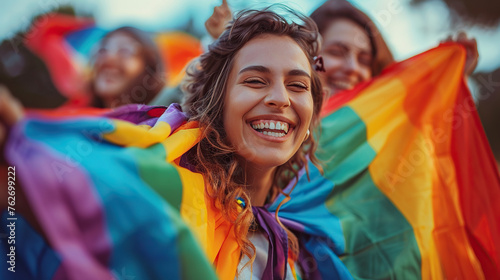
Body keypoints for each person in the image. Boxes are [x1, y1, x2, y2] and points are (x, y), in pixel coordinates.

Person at [0, 7, 353, 280]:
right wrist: (26, 157)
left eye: (297, 85)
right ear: (218, 104)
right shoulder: (168, 190)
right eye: (256, 80)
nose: (280, 99)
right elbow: (93, 197)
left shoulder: (309, 236)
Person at [310, 0, 478, 97]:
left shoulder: (387, 140)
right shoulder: (285, 136)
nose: (353, 68)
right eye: (336, 52)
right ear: (305, 57)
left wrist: (449, 79)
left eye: (364, 60)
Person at [87, 26, 166, 108]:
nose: (108, 57)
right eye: (102, 50)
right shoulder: (78, 117)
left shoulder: (168, 118)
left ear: (149, 68)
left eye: (124, 50)